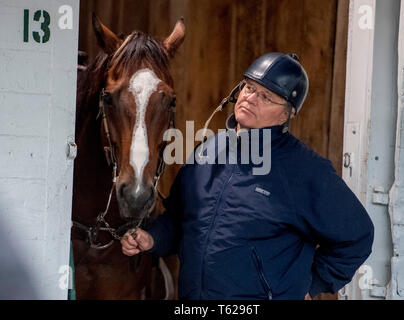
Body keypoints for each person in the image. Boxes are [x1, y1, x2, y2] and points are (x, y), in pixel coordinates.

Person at [120, 52, 375, 300]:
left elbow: (357, 236)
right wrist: (152, 238)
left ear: (287, 114)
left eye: (266, 97)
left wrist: (312, 285)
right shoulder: (207, 151)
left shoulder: (305, 170)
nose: (251, 98)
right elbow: (179, 220)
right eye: (249, 88)